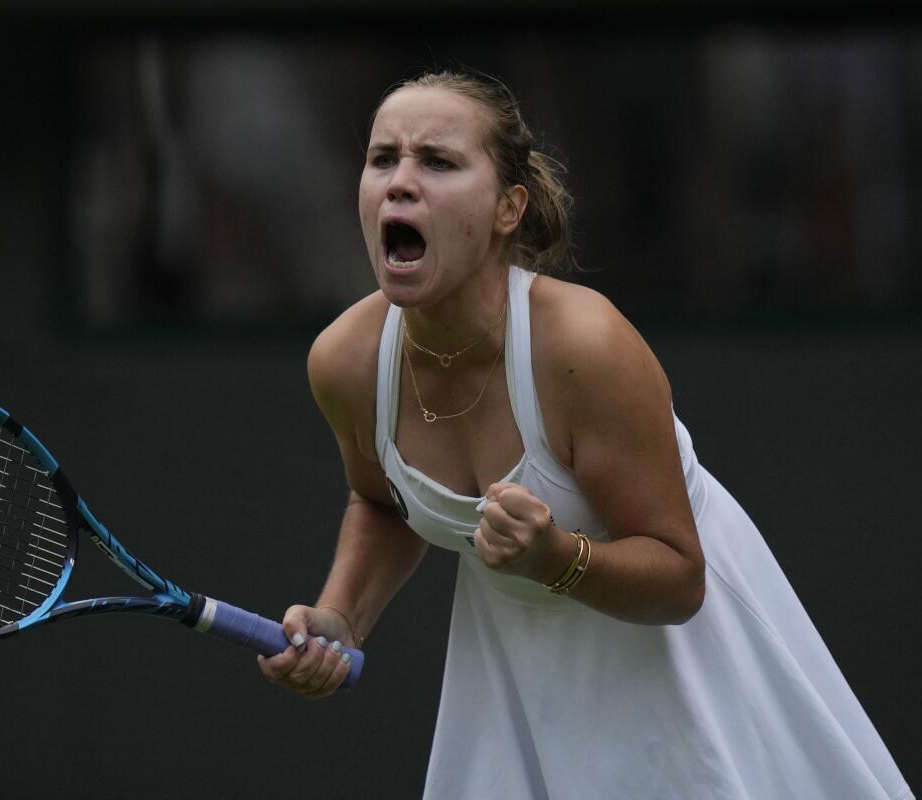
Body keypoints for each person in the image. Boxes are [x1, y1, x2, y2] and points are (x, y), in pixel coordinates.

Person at [255, 69, 913, 799]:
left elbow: (679, 578)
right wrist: (340, 616)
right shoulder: (345, 361)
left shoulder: (584, 347)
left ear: (510, 208)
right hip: (513, 695)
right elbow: (383, 500)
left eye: (437, 162)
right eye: (384, 159)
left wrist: (555, 557)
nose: (399, 183)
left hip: (689, 676)